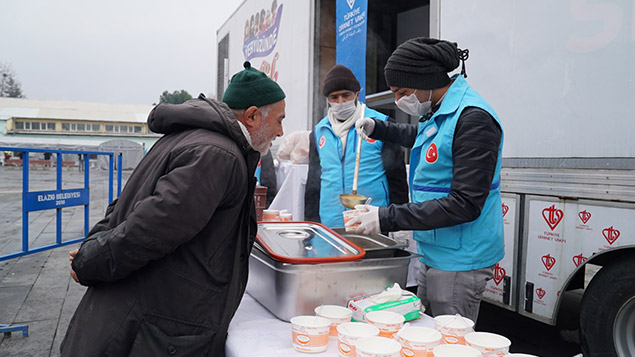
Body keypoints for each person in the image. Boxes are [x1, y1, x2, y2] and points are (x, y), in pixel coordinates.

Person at [61, 61, 286, 356]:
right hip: (149, 329)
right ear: (253, 116)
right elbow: (149, 229)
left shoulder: (192, 138)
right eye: (279, 120)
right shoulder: (218, 154)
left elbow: (126, 203)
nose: (281, 131)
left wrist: (95, 246)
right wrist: (90, 261)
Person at [349, 38, 504, 323]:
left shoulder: (473, 119)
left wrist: (386, 217)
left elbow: (465, 203)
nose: (399, 101)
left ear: (425, 81)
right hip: (434, 248)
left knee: (450, 340)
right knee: (425, 331)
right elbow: (422, 138)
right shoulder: (439, 110)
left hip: (460, 257)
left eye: (403, 92)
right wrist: (378, 128)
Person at [305, 64, 408, 227]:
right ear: (327, 100)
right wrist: (311, 223)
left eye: (346, 95)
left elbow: (397, 177)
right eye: (334, 97)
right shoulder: (318, 133)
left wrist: (400, 221)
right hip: (330, 223)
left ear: (357, 94)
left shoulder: (381, 125)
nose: (340, 102)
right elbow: (313, 182)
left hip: (374, 220)